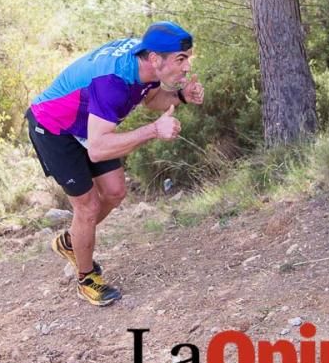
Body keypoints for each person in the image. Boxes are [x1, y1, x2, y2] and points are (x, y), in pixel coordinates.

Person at [25, 21, 204, 305]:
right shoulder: (114, 83)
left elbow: (152, 97)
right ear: (156, 59)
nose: (186, 67)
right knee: (87, 206)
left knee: (115, 191)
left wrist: (180, 96)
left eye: (188, 59)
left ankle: (72, 242)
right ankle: (87, 278)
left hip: (87, 125)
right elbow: (97, 149)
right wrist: (154, 130)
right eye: (181, 60)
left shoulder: (146, 61)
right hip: (54, 126)